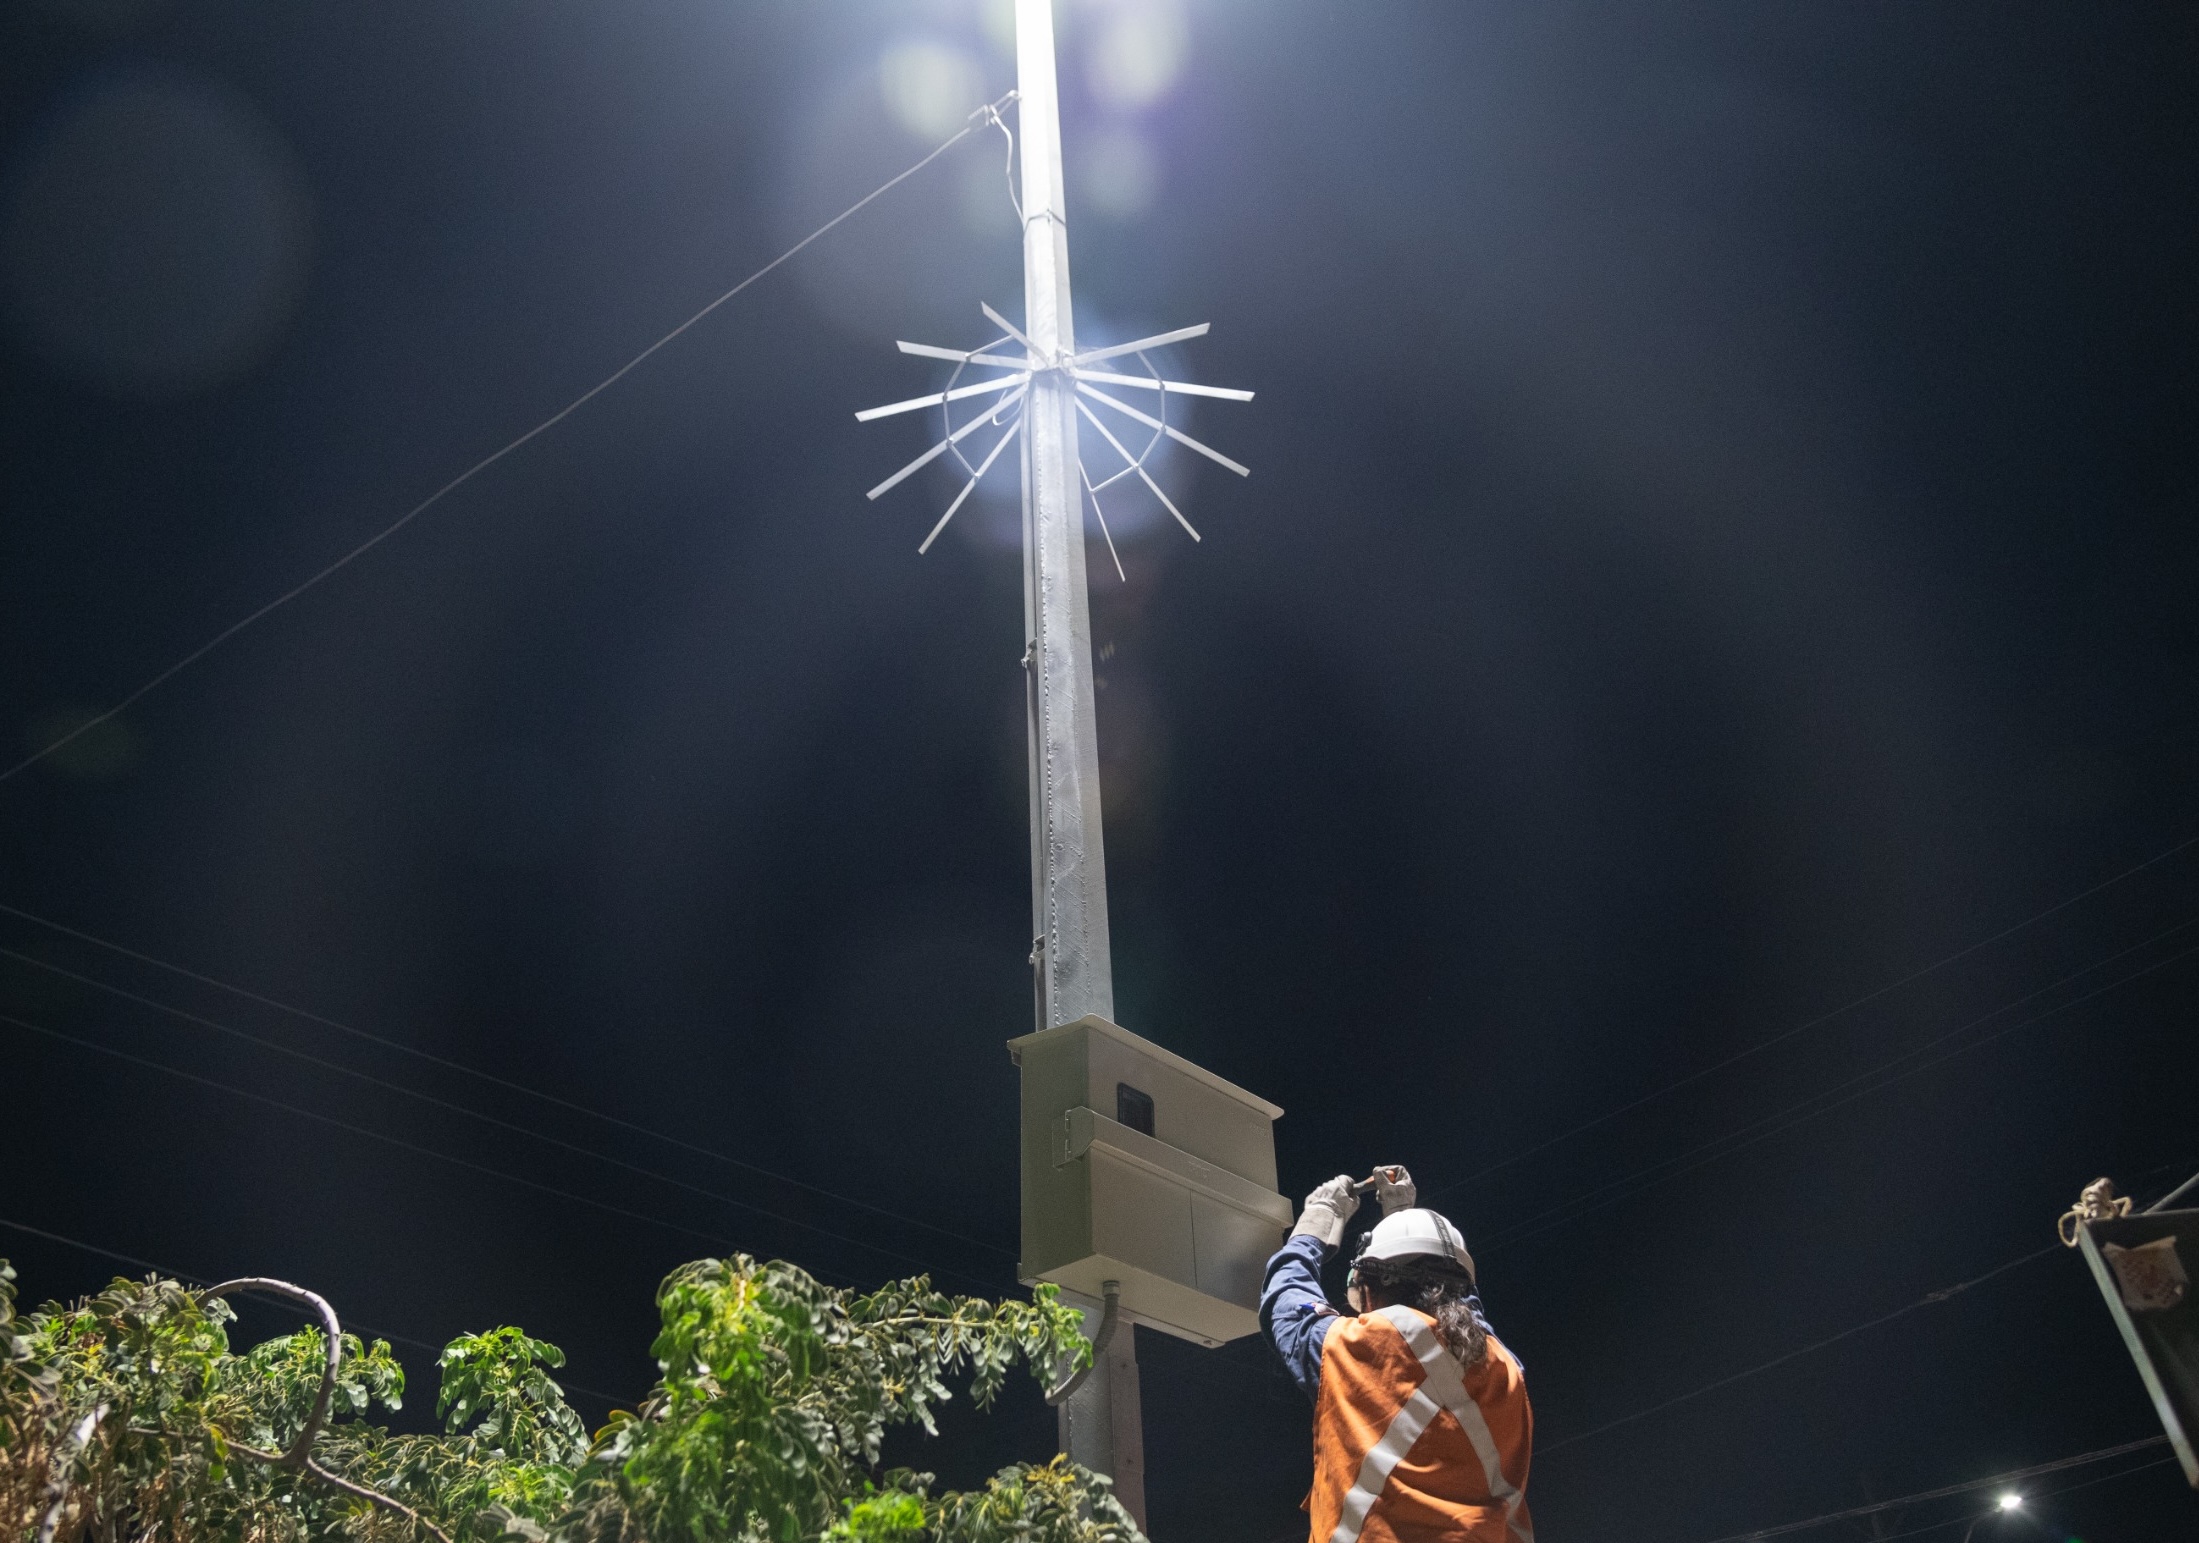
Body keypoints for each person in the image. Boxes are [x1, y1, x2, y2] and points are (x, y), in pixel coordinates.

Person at [1261, 1166, 1534, 1543]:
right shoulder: (1504, 1368)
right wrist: (1404, 1218)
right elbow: (1464, 1310)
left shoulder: (1354, 1348)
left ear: (1369, 1288)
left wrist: (1317, 1221)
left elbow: (1286, 1296)